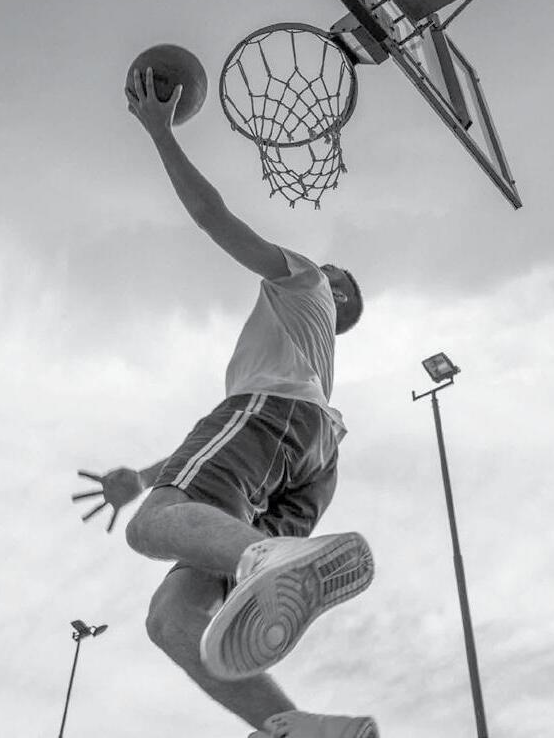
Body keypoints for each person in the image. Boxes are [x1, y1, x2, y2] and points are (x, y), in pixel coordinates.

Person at [72, 68, 377, 738]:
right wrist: (142, 476)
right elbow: (233, 464)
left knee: (149, 527)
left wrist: (160, 133)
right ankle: (299, 727)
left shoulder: (303, 283)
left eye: (335, 269)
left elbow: (213, 217)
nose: (322, 263)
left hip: (274, 417)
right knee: (171, 618)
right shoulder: (305, 354)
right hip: (309, 463)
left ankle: (265, 558)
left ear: (337, 291)